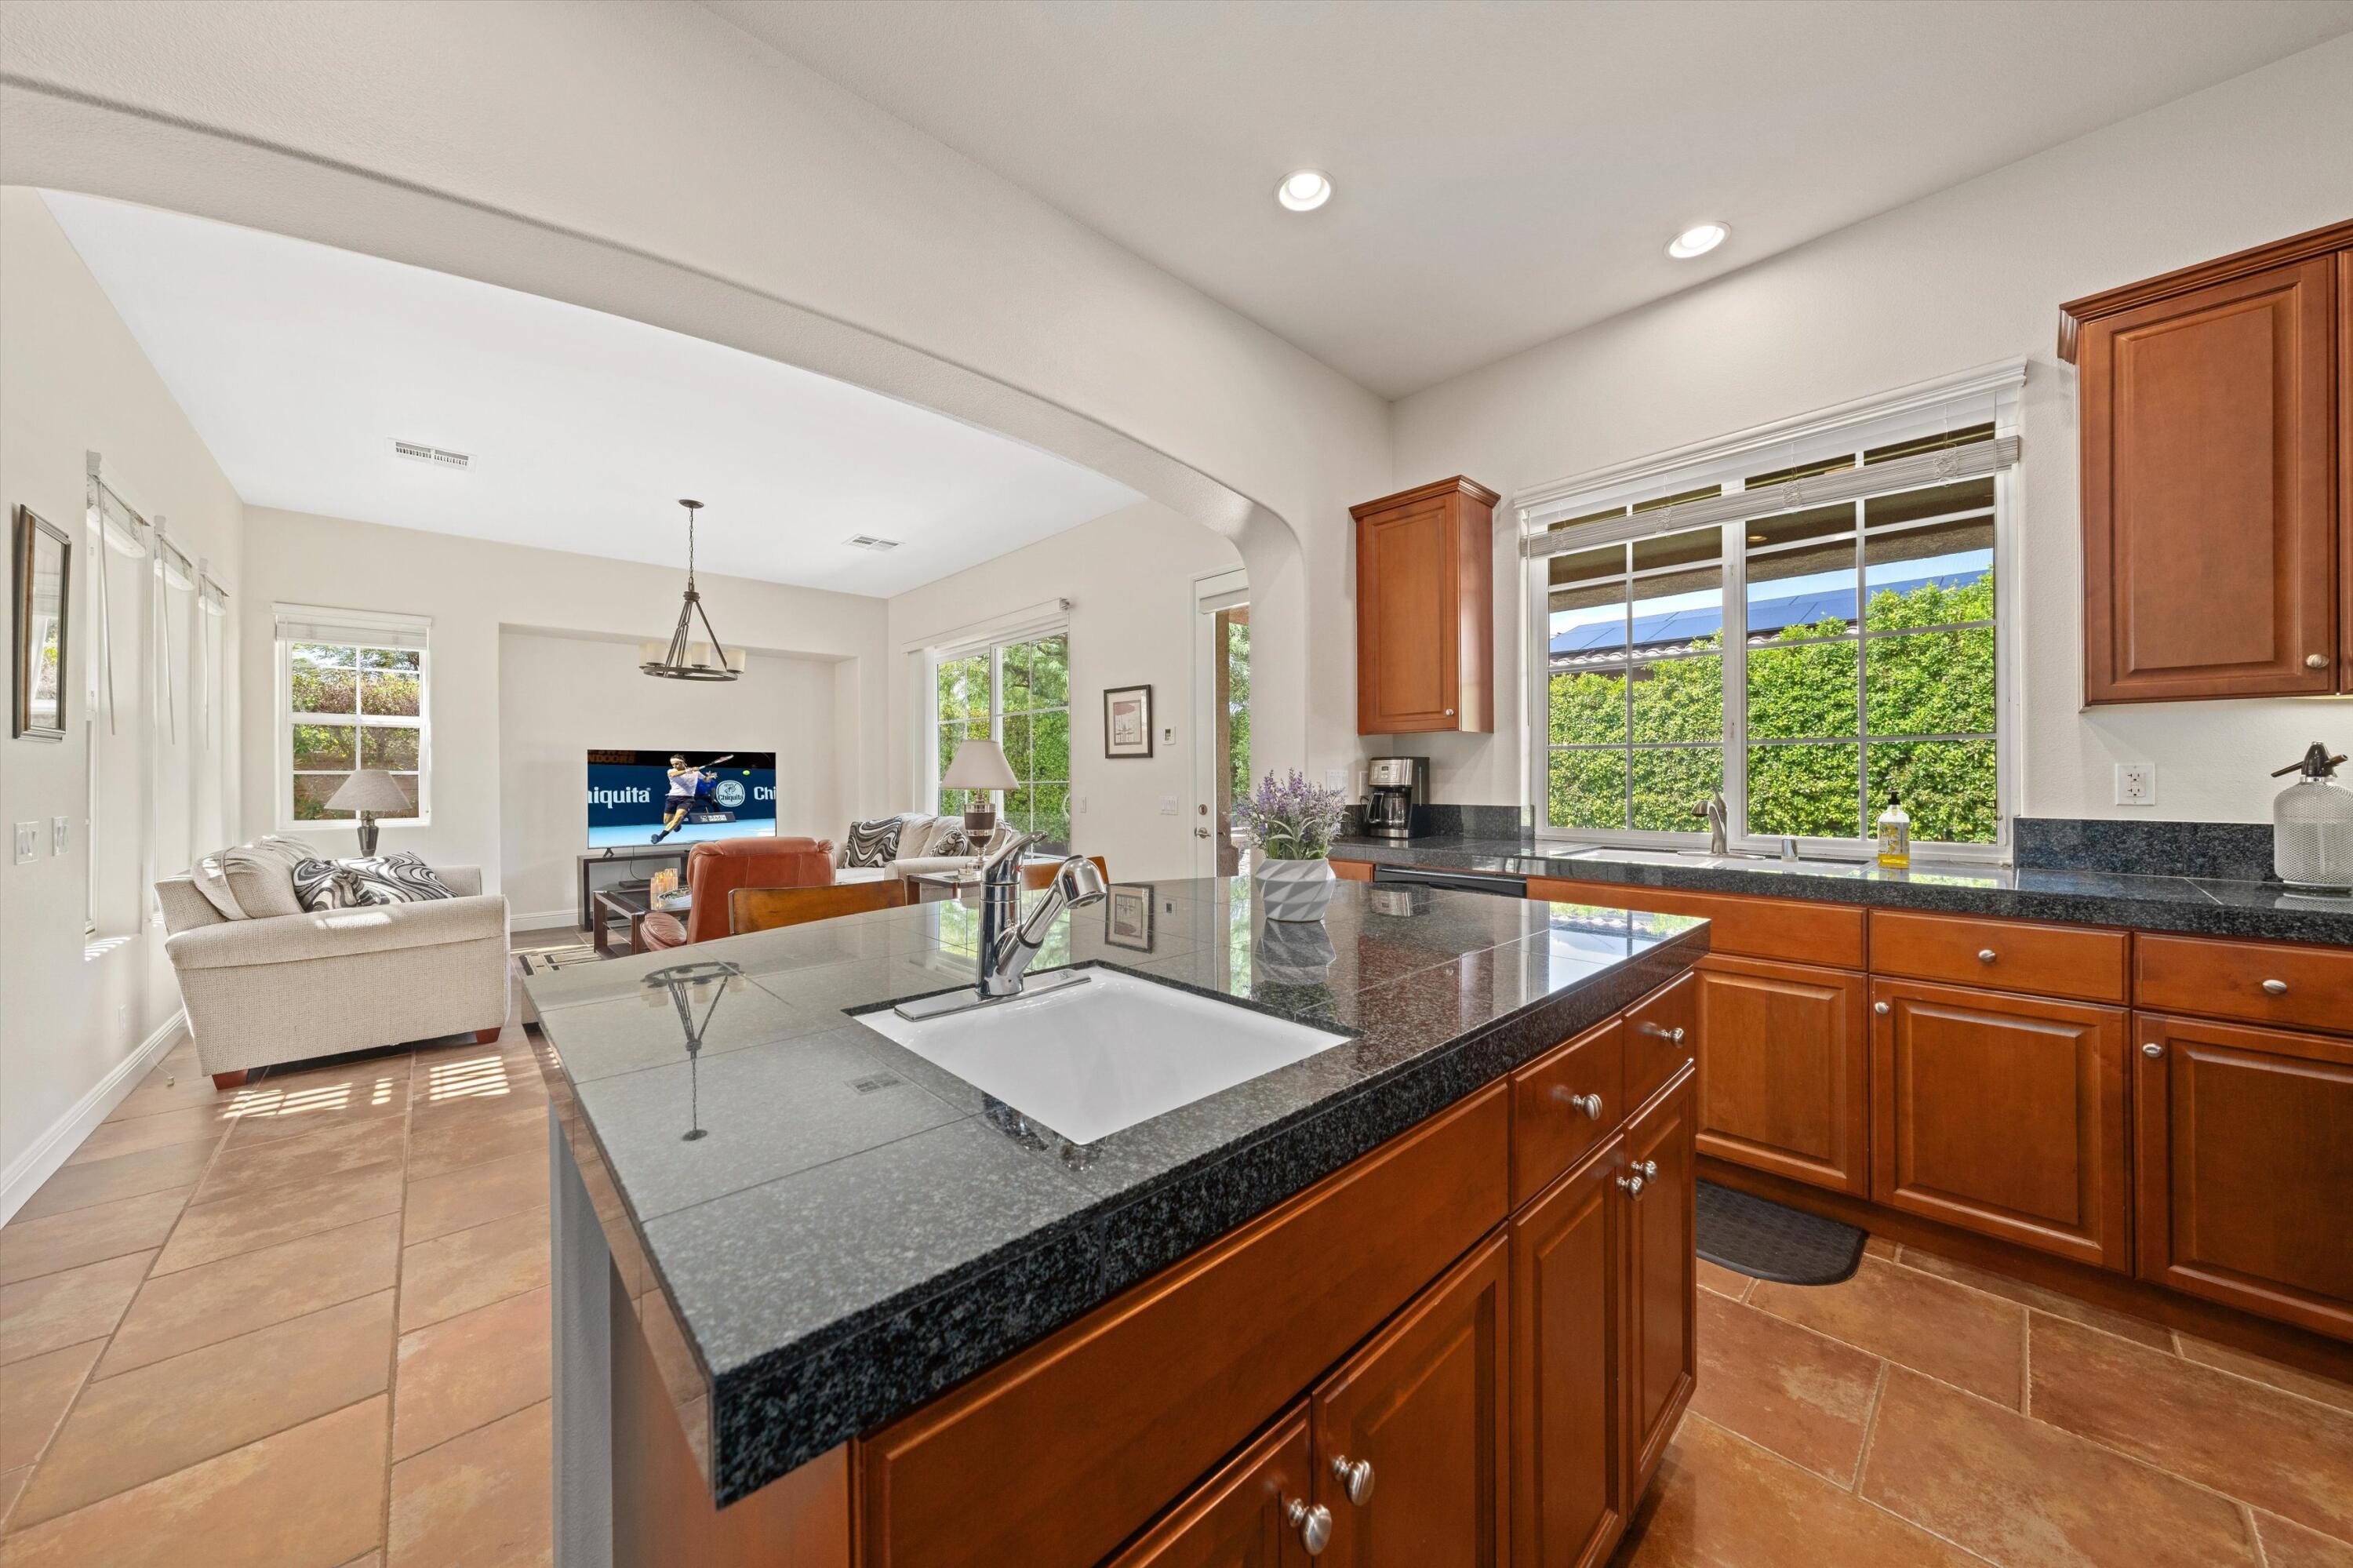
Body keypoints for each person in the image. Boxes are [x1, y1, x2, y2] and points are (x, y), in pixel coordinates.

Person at [651, 754, 703, 843]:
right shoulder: (671, 771)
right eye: (673, 764)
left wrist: (709, 777)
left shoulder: (696, 773)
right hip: (672, 798)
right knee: (667, 821)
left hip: (687, 799)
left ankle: (660, 837)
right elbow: (675, 774)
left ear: (683, 762)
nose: (675, 766)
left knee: (677, 817)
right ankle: (677, 825)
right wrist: (689, 770)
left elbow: (705, 779)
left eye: (677, 764)